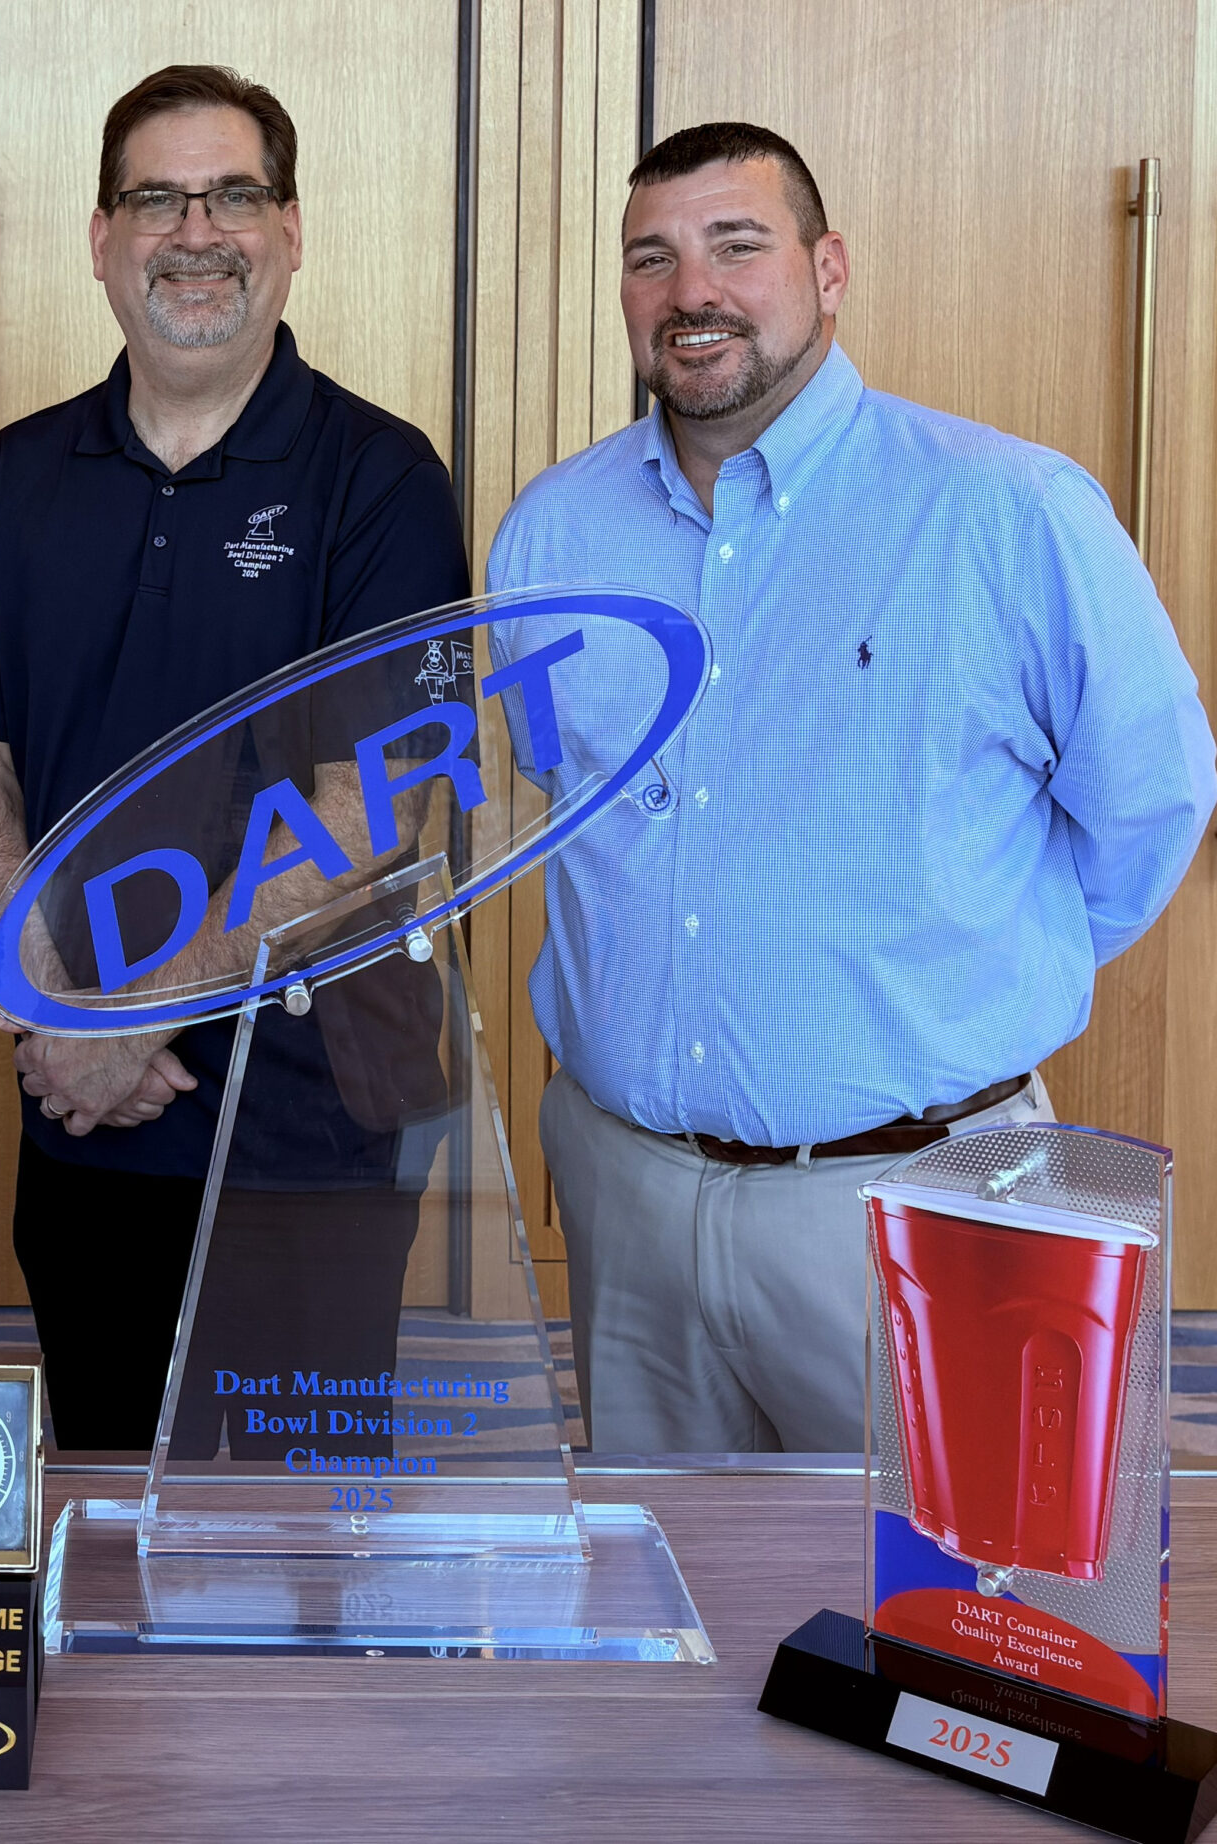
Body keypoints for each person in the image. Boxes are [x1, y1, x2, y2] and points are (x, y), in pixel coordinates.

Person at [487, 121, 1217, 1455]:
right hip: (628, 1194)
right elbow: (555, 784)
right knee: (671, 1571)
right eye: (652, 258)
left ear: (828, 269)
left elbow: (1150, 809)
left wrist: (955, 988)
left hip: (926, 1195)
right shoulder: (552, 531)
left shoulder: (1007, 511)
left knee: (961, 1581)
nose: (692, 291)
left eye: (737, 246)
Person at [0, 66, 471, 1451]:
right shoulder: (15, 478)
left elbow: (378, 809)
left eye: (233, 195)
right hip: (84, 1113)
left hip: (313, 1127)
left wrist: (130, 1017)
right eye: (157, 199)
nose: (196, 232)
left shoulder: (383, 479)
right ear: (100, 238)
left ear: (289, 230)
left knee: (301, 1530)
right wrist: (56, 1010)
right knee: (105, 1499)